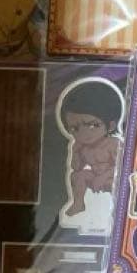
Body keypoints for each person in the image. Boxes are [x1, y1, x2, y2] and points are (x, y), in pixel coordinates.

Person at [57, 79, 123, 221]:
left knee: (121, 186)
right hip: (95, 177)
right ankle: (78, 204)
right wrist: (75, 152)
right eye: (75, 128)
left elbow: (122, 167)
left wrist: (103, 177)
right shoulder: (81, 146)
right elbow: (76, 167)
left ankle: (119, 209)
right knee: (76, 176)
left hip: (112, 178)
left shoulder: (112, 144)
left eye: (93, 125)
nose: (84, 134)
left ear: (111, 125)